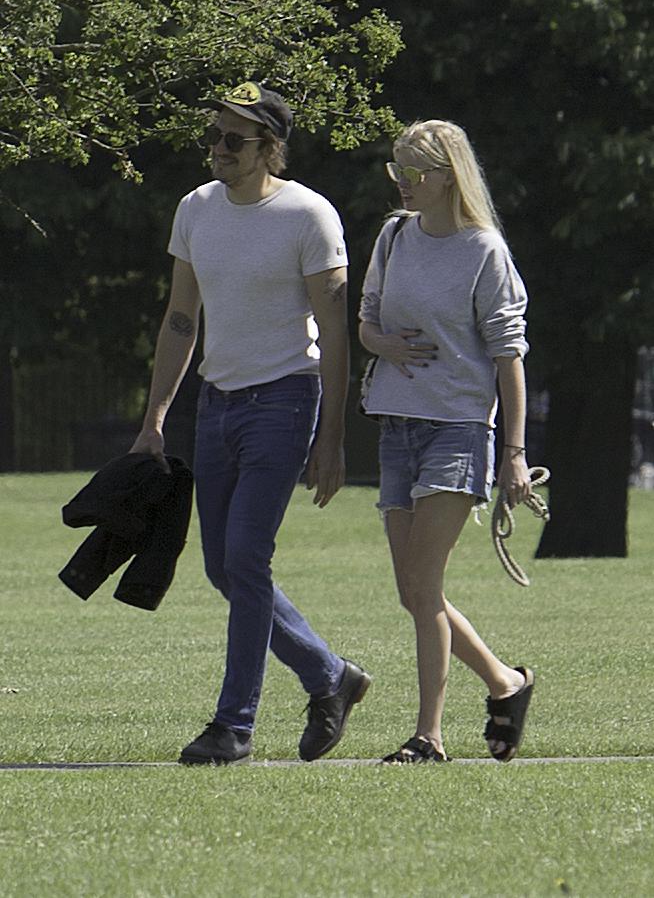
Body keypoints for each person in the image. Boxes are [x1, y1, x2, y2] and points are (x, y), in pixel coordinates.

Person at [131, 81, 370, 765]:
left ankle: (233, 725)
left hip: (285, 401)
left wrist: (331, 443)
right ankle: (331, 675)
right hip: (217, 403)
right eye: (212, 136)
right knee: (221, 566)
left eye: (232, 139)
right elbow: (182, 318)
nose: (217, 149)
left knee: (245, 559)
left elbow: (335, 334)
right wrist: (155, 418)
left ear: (271, 146)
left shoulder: (309, 217)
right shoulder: (195, 210)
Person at [358, 119, 534, 764]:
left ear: (447, 177)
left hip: (457, 429)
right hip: (396, 425)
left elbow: (509, 354)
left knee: (424, 586)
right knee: (412, 590)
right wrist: (381, 344)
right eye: (396, 170)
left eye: (414, 172)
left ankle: (428, 736)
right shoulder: (394, 235)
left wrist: (513, 453)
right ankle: (505, 683)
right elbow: (367, 321)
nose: (402, 182)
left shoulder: (483, 249)